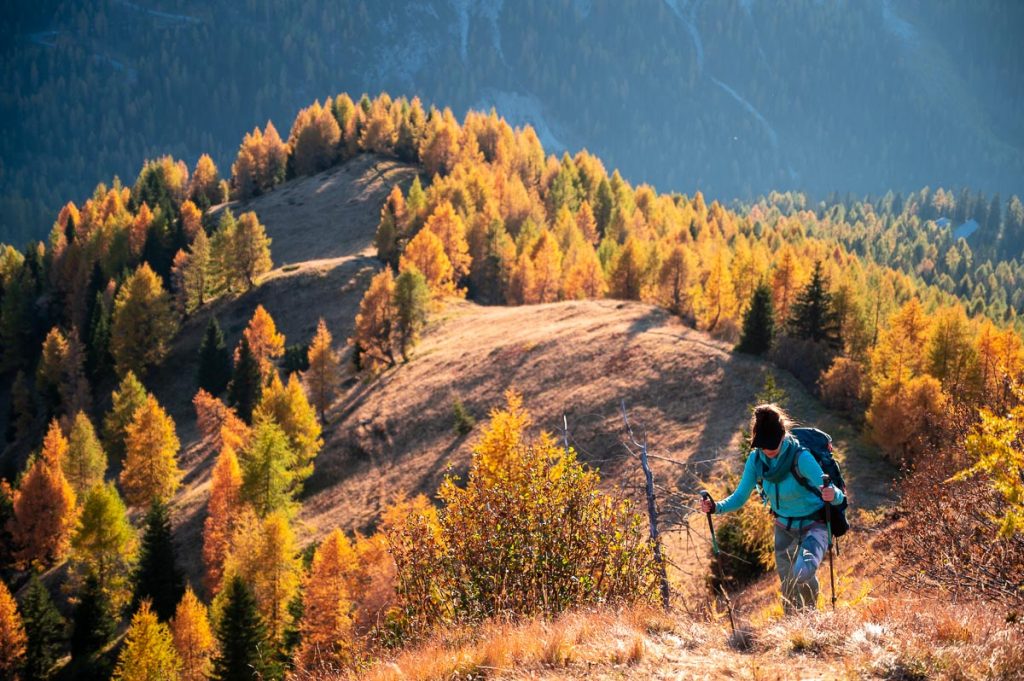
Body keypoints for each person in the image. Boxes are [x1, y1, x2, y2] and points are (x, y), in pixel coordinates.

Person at [699, 403, 844, 612]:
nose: (768, 450)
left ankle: (812, 620)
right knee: (788, 585)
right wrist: (715, 507)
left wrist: (832, 494)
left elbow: (836, 496)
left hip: (815, 526)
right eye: (763, 445)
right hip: (784, 528)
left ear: (782, 436)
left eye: (772, 445)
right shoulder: (756, 460)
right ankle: (792, 628)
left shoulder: (801, 458)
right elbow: (740, 497)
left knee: (802, 573)